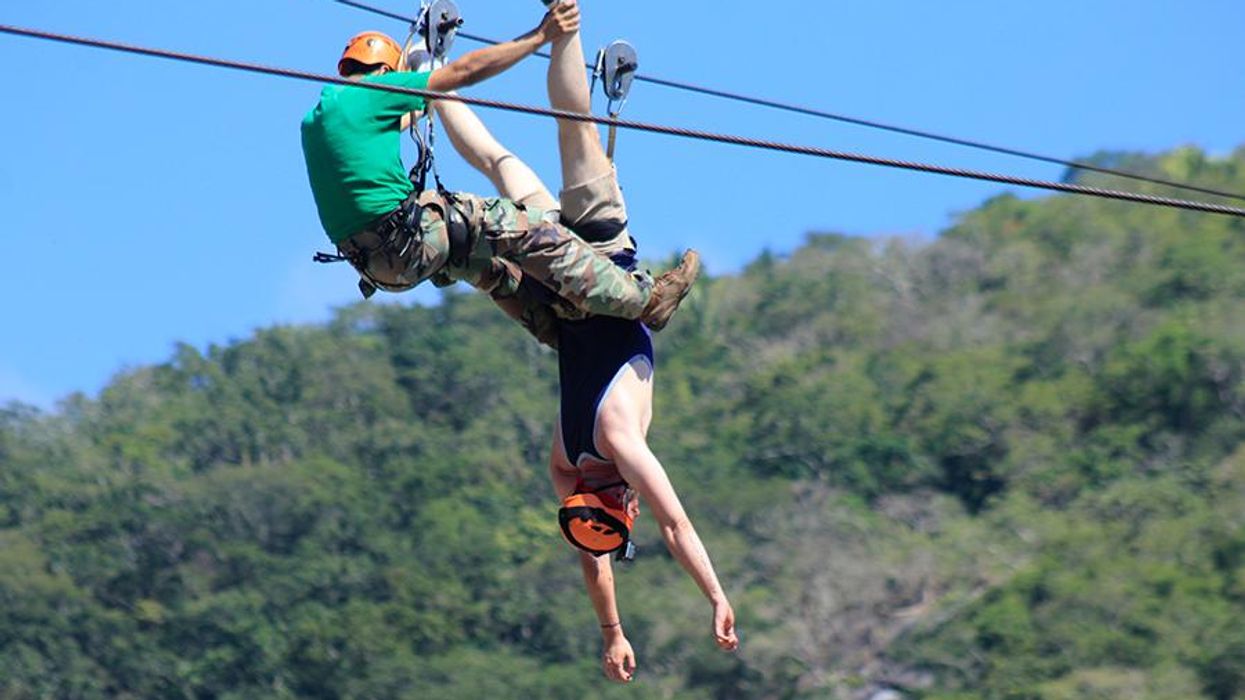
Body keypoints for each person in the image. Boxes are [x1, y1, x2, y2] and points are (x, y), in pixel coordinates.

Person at [427, 1, 738, 682]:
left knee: (576, 129)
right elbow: (590, 555)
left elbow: (676, 529)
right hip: (550, 270)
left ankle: (562, 28)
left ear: (621, 504)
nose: (631, 508)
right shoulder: (566, 463)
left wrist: (716, 597)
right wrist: (610, 631)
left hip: (597, 255)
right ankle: (428, 65)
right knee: (496, 160)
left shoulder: (620, 442)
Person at [300, 4, 700, 331]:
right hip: (412, 239)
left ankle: (554, 327)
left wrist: (423, 51)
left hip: (384, 267)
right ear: (387, 72)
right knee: (524, 227)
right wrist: (540, 36)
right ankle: (645, 300)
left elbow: (405, 120)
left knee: (486, 267)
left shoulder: (320, 119)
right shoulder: (376, 91)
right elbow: (463, 73)